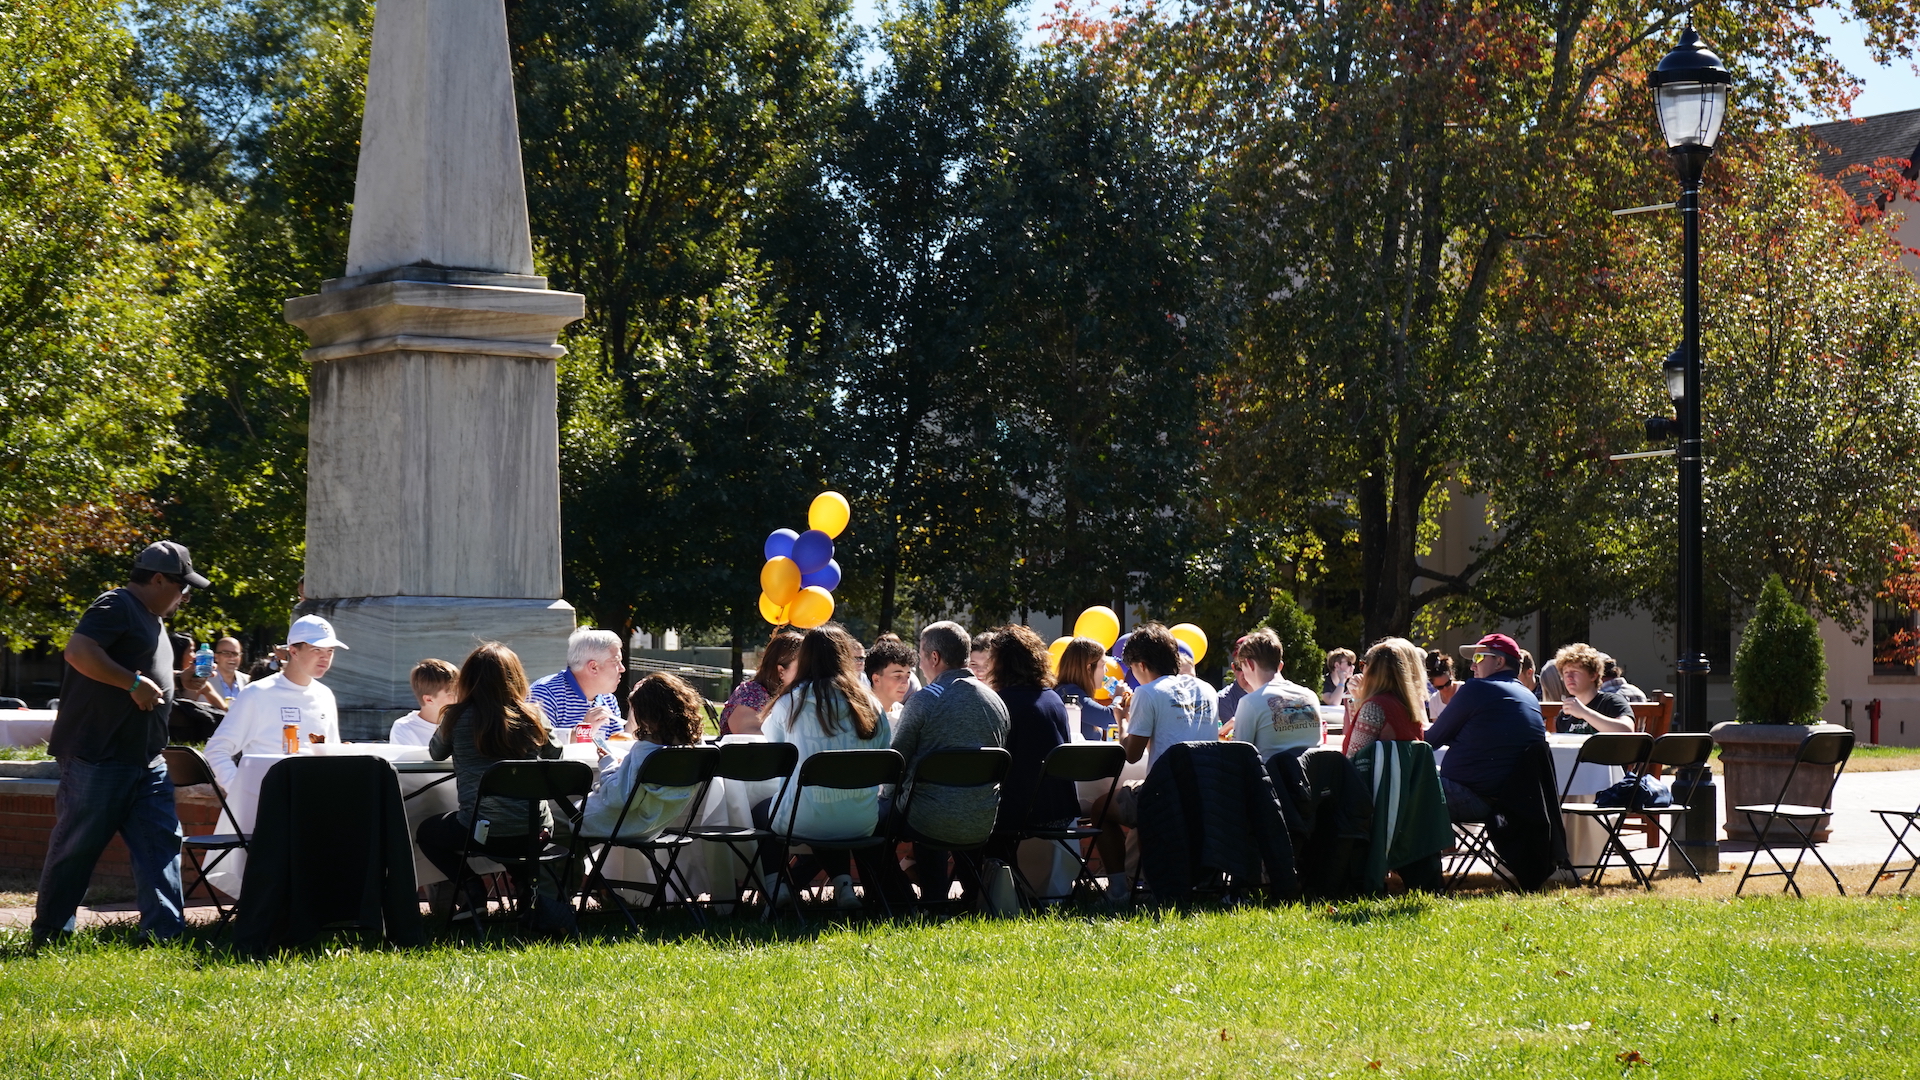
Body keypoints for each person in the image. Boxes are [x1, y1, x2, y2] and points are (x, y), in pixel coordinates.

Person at [33, 541, 208, 946]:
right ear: (159, 579)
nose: (186, 595)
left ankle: (163, 936)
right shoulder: (116, 605)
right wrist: (131, 683)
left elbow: (148, 681)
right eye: (183, 586)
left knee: (160, 845)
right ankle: (51, 934)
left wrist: (183, 683)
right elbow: (78, 651)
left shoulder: (155, 620)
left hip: (147, 759)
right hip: (99, 757)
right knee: (76, 848)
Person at [416, 642, 568, 926]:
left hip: (480, 831)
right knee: (514, 832)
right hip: (536, 831)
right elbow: (556, 755)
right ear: (516, 678)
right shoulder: (532, 716)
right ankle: (527, 894)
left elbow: (436, 752)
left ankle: (471, 888)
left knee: (427, 832)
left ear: (468, 680)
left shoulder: (455, 716)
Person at [755, 626, 892, 910]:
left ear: (804, 658)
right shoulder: (870, 703)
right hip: (862, 821)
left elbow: (776, 750)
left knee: (773, 809)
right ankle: (844, 886)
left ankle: (776, 886)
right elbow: (884, 748)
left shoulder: (789, 702)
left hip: (804, 818)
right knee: (826, 805)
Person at [1091, 623, 1218, 904]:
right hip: (1207, 794)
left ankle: (1119, 890)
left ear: (1142, 665)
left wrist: (1122, 722)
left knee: (1100, 808)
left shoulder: (1149, 693)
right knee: (1134, 798)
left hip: (1165, 794)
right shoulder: (1207, 689)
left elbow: (1131, 755)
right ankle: (1142, 879)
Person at [891, 621, 1009, 905]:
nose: (919, 664)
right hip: (981, 818)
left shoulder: (924, 701)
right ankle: (970, 896)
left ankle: (902, 901)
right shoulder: (996, 701)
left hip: (927, 819)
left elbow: (896, 762)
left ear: (934, 658)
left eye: (920, 656)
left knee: (870, 822)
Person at [203, 614, 346, 790]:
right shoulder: (257, 693)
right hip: (269, 807)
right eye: (317, 650)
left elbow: (333, 755)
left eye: (330, 651)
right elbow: (216, 750)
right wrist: (241, 793)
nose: (325, 658)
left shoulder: (325, 695)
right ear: (293, 651)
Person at [1424, 633, 1546, 822]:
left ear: (1499, 662)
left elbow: (1430, 740)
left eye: (1478, 658)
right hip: (1515, 802)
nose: (1473, 666)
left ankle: (1404, 851)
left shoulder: (1477, 689)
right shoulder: (1529, 696)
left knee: (1396, 782)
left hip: (1474, 798)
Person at [984, 626, 1077, 855]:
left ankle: (983, 888)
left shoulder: (1000, 703)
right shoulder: (1054, 700)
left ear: (1001, 663)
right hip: (1060, 813)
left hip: (1018, 817)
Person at [580, 673, 706, 840]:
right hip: (657, 826)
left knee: (558, 817)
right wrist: (623, 767)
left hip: (618, 824)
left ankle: (571, 866)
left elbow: (617, 798)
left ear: (646, 714)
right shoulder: (697, 748)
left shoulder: (647, 750)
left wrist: (608, 764)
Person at [1227, 628, 1324, 759]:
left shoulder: (1250, 702)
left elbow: (1238, 757)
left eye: (1242, 667)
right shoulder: (1310, 696)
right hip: (1311, 777)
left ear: (1250, 664)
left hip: (1270, 778)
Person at [529, 627, 625, 742]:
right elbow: (536, 744)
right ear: (593, 667)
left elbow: (620, 747)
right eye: (616, 661)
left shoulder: (608, 699)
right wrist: (583, 731)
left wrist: (635, 715)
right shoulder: (545, 694)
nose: (622, 669)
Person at [1342, 638, 1428, 757]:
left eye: (1363, 665)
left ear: (1374, 671)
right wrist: (1358, 699)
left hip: (1376, 775)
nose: (1361, 671)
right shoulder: (1408, 705)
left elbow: (1353, 758)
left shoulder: (1374, 707)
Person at [719, 628, 803, 736]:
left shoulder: (799, 695)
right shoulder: (751, 693)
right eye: (803, 666)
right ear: (781, 671)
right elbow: (748, 736)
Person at [1554, 643, 1635, 734]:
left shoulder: (1611, 702)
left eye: (1575, 671)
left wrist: (1584, 713)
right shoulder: (1565, 714)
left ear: (1593, 675)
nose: (1569, 677)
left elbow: (1627, 730)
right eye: (1565, 672)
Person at [1052, 637, 1115, 740]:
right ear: (1089, 668)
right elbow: (1108, 720)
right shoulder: (1070, 694)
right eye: (1103, 665)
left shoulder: (1066, 689)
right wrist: (1119, 697)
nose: (1106, 670)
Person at [389, 658, 460, 745]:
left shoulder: (464, 724)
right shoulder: (404, 729)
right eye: (452, 694)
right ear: (429, 700)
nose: (459, 698)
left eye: (460, 692)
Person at [863, 636, 918, 720]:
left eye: (907, 676)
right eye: (897, 676)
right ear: (876, 679)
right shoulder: (858, 717)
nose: (905, 684)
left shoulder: (904, 716)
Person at [202, 637, 248, 706]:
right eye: (226, 653)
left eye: (235, 654)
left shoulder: (248, 681)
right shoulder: (204, 680)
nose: (231, 657)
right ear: (216, 657)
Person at [1425, 649, 1458, 719]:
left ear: (1451, 674)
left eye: (1448, 683)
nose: (1445, 689)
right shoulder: (1434, 701)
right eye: (1440, 687)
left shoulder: (1464, 690)